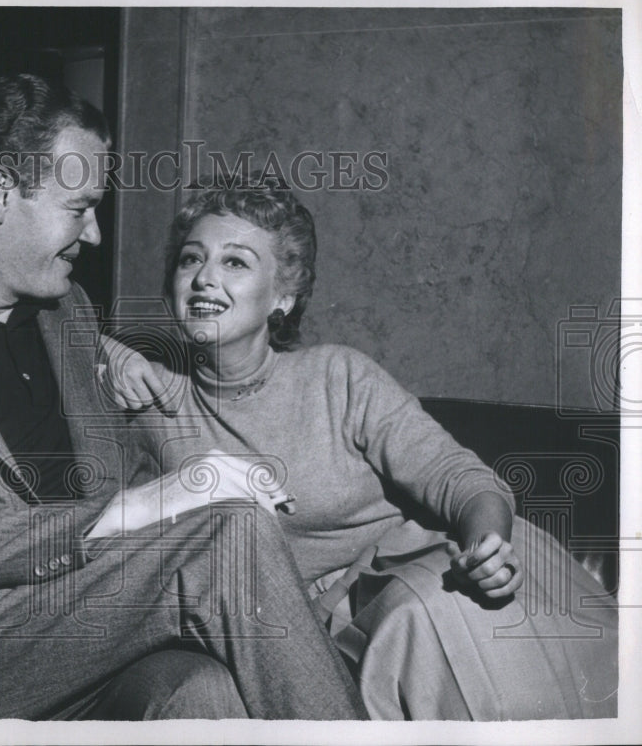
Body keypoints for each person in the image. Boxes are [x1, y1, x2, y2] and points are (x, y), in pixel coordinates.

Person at [0, 75, 368, 720]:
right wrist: (127, 514)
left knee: (206, 690)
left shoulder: (68, 314)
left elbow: (125, 473)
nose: (95, 236)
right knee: (227, 538)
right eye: (79, 208)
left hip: (75, 627)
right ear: (1, 191)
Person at [96, 177, 619, 720]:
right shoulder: (148, 399)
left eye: (235, 262)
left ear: (283, 295)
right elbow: (36, 306)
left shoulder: (337, 375)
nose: (204, 278)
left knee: (423, 615)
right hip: (289, 640)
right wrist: (107, 352)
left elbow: (460, 477)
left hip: (419, 579)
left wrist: (488, 547)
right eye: (189, 260)